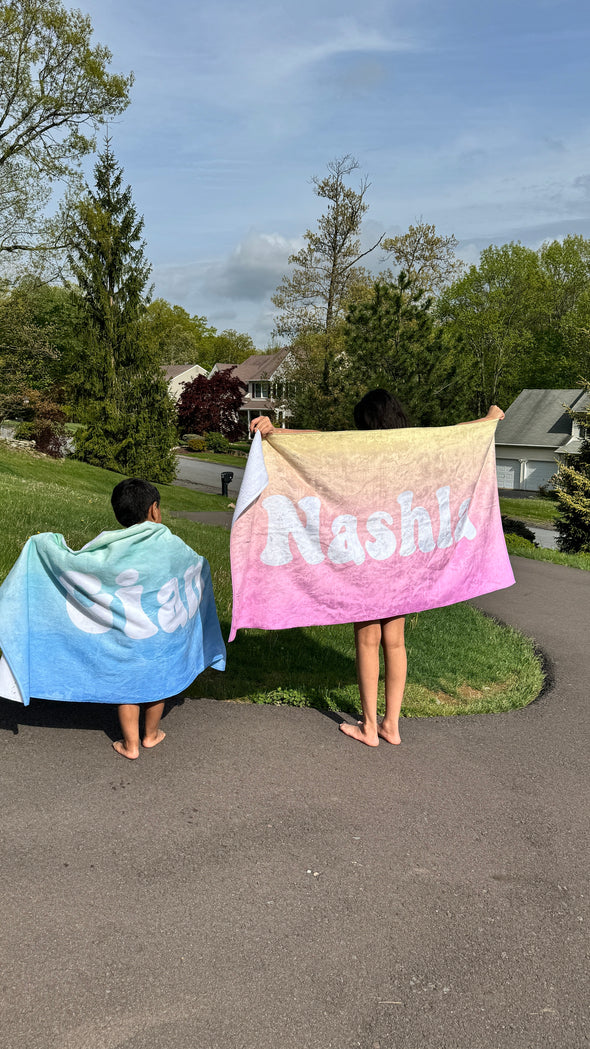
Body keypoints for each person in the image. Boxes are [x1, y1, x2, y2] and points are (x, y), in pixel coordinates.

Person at [250, 393, 505, 748]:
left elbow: (318, 440)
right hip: (402, 564)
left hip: (365, 563)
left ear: (365, 422)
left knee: (368, 641)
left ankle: (370, 727)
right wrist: (490, 418)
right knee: (396, 643)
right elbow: (457, 435)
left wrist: (275, 431)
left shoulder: (359, 451)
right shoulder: (414, 447)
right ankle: (392, 725)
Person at [109, 478, 167, 759]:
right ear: (154, 510)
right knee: (157, 683)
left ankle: (130, 745)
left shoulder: (110, 545)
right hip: (159, 632)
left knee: (127, 686)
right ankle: (151, 735)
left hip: (124, 633)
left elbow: (86, 567)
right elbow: (193, 566)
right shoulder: (168, 543)